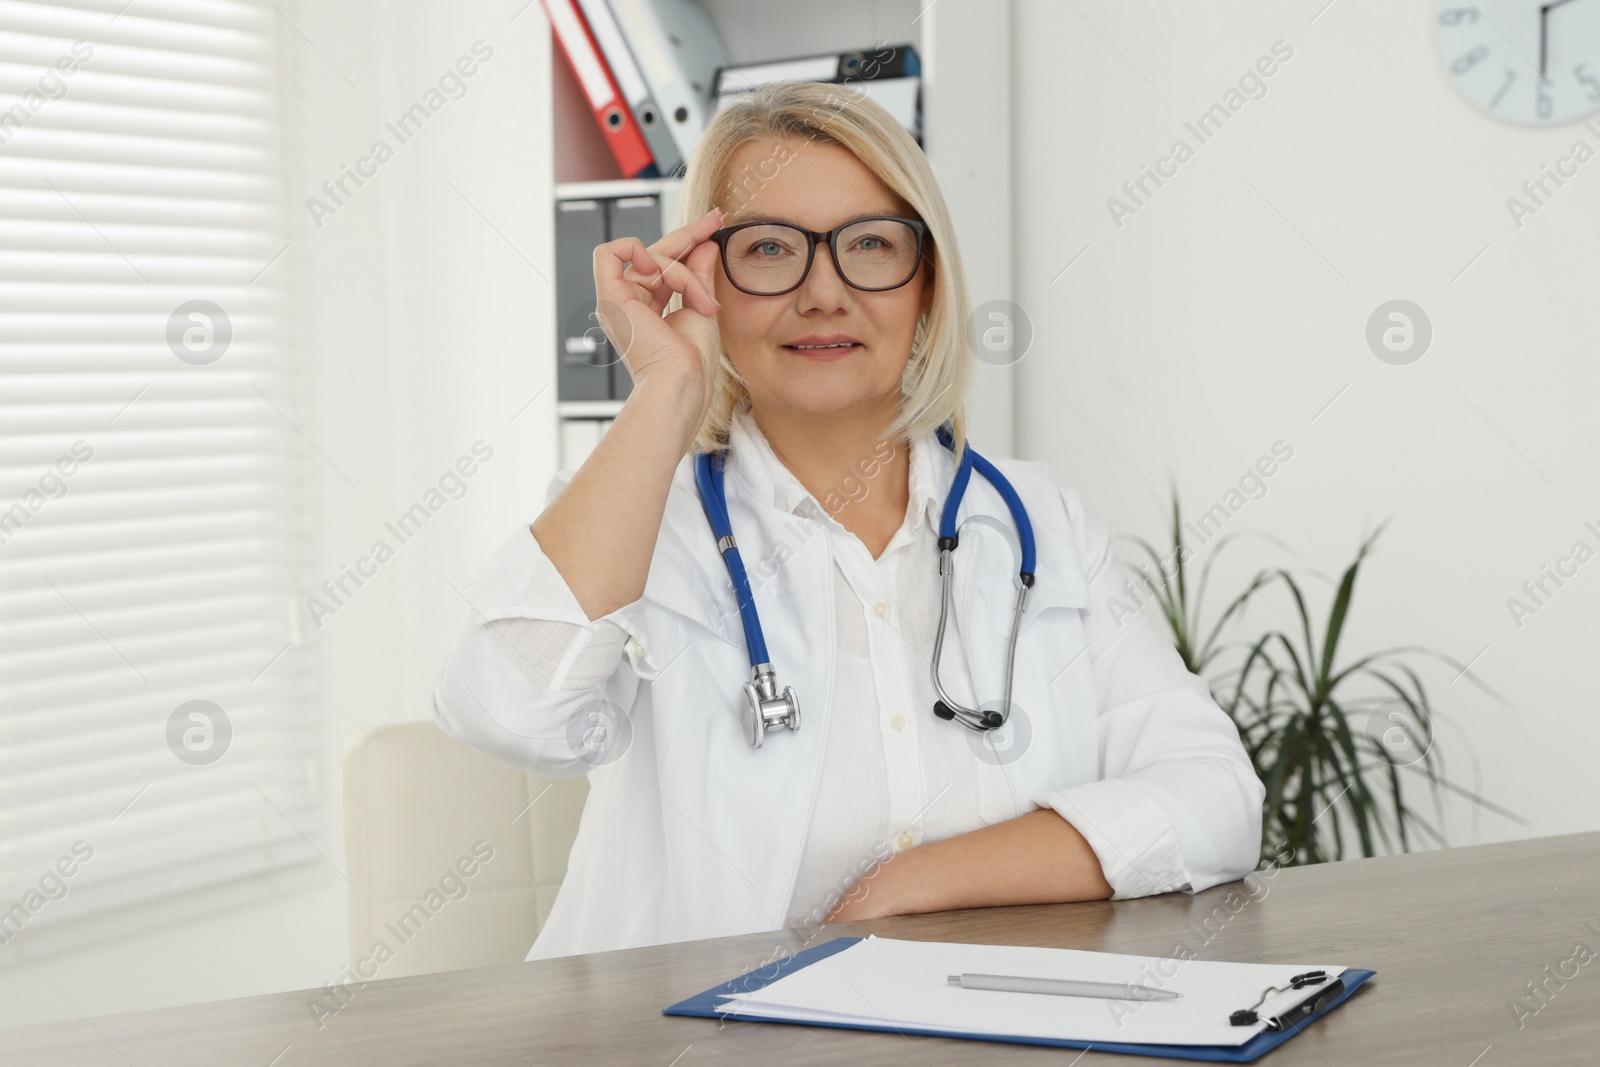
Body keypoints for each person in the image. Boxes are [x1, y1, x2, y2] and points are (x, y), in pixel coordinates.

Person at [432, 81, 1263, 961]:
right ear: (705, 280)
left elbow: (1217, 798)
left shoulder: (1038, 521)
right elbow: (507, 711)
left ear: (927, 284)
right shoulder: (647, 513)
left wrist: (908, 886)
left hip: (980, 1025)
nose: (824, 292)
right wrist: (668, 389)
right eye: (768, 249)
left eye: (869, 244)